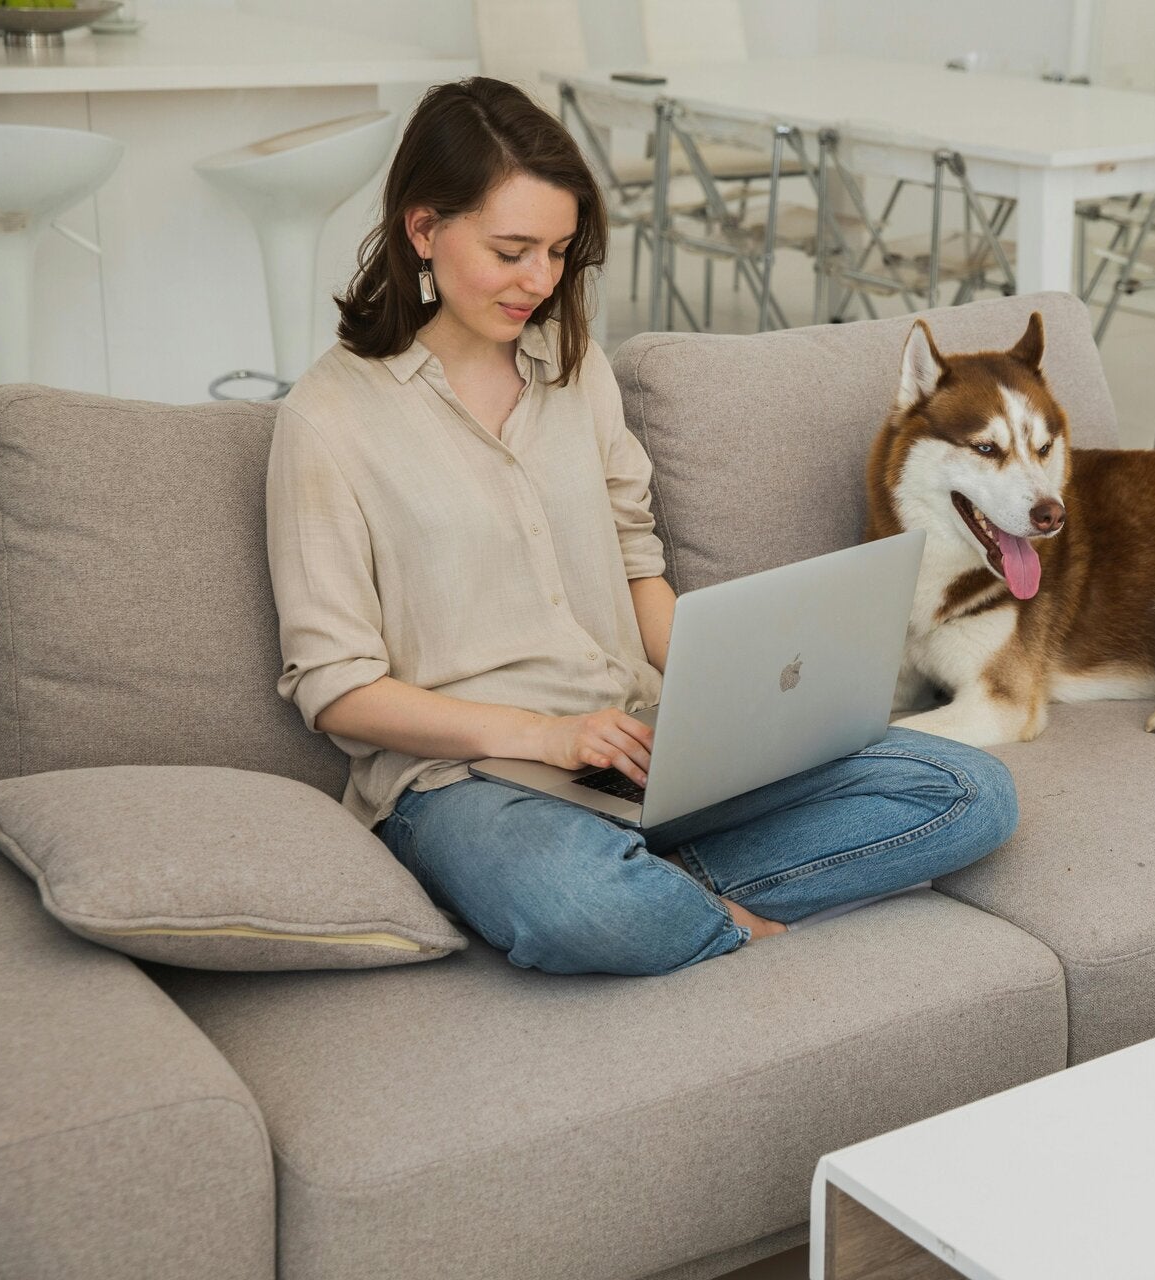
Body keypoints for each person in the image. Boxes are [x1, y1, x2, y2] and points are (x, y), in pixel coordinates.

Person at [264, 78, 1018, 977]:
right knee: (575, 899)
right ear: (424, 230)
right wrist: (542, 736)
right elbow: (337, 691)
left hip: (637, 745)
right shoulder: (328, 420)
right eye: (510, 251)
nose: (539, 282)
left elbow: (636, 566)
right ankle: (672, 908)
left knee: (970, 791)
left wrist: (729, 699)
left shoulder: (575, 372)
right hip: (467, 788)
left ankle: (654, 895)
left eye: (557, 252)